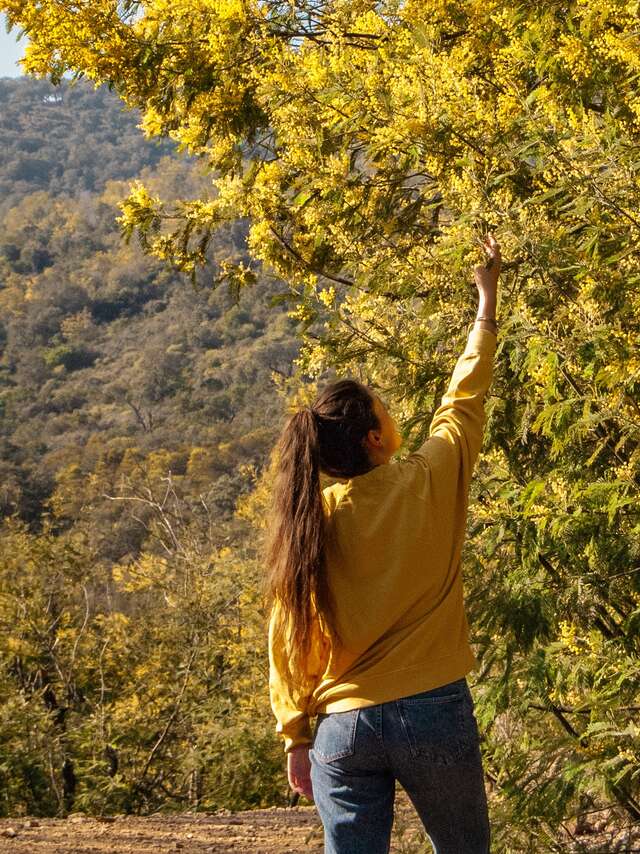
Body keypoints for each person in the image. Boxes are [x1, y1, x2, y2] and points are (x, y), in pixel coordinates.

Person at [264, 233, 502, 854]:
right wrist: (486, 303)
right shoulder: (428, 478)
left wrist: (296, 737)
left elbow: (289, 635)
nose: (395, 417)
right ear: (373, 438)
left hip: (341, 731)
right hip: (433, 711)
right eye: (386, 410)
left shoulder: (307, 523)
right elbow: (464, 400)